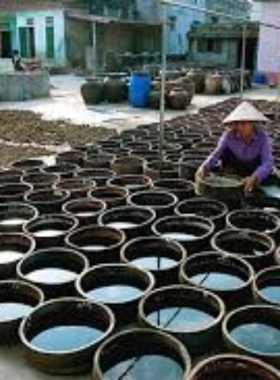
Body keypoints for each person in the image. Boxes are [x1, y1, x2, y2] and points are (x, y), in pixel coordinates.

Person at [196, 101, 274, 193]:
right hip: (234, 167)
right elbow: (217, 153)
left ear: (252, 124)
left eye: (244, 123)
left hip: (253, 169)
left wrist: (255, 177)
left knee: (266, 179)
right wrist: (204, 166)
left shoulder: (262, 138)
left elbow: (267, 162)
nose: (240, 127)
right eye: (238, 123)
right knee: (214, 168)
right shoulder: (229, 135)